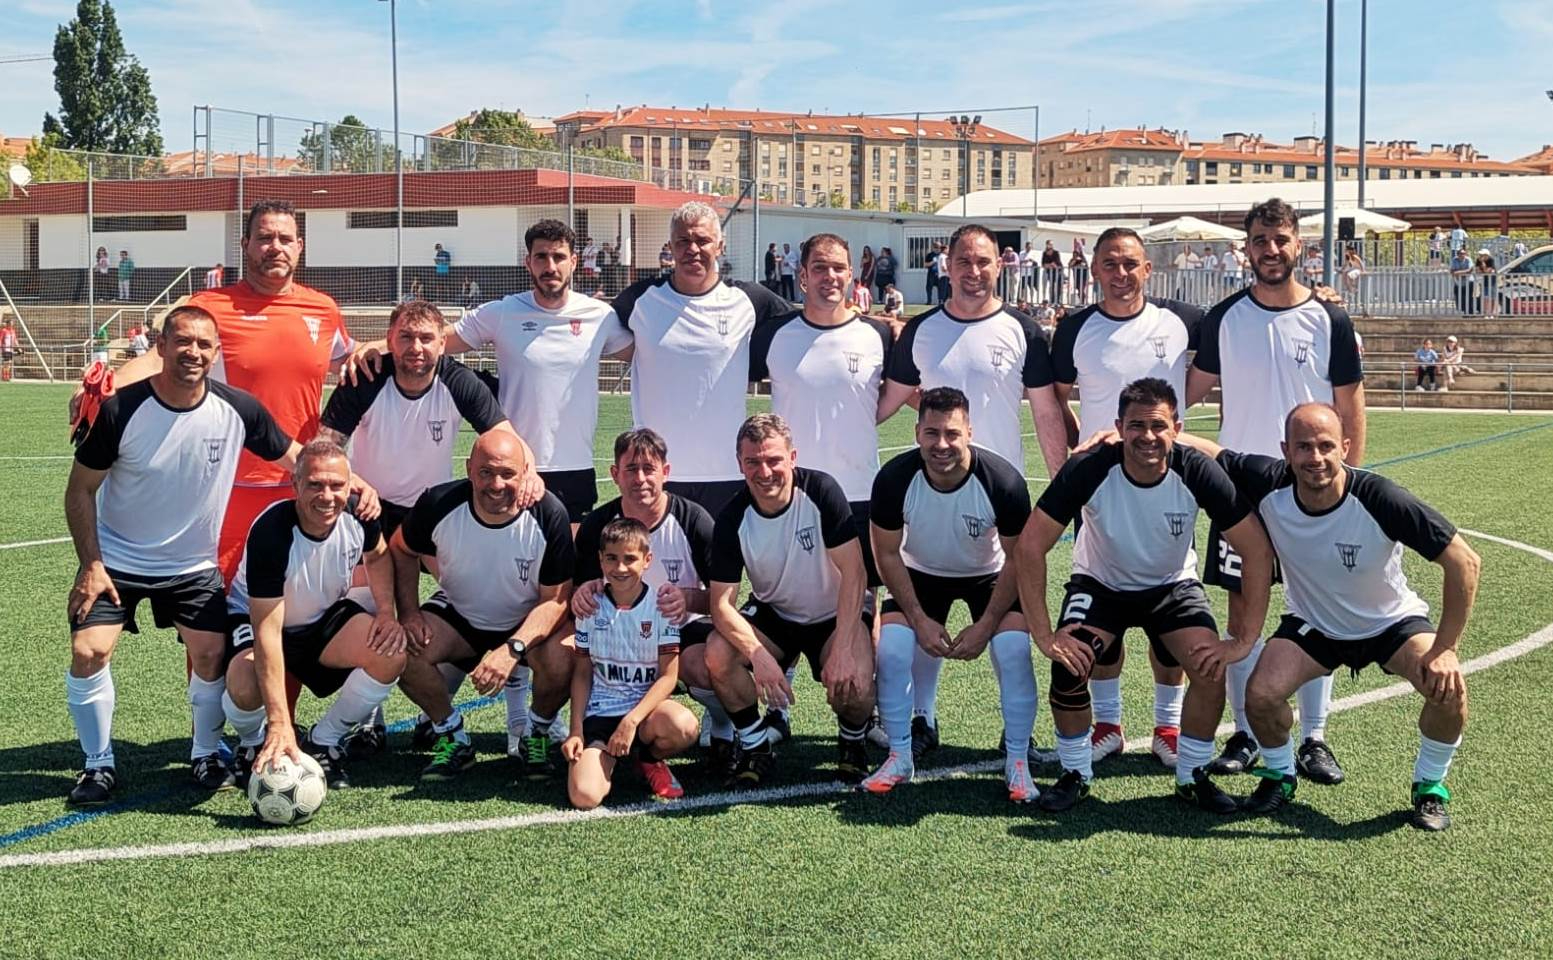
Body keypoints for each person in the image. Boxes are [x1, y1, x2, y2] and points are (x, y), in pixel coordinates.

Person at [1177, 403, 1478, 830]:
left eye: (1326, 446)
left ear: (1346, 448)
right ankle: (1281, 775)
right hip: (1313, 626)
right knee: (1260, 697)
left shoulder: (1379, 498)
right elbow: (1212, 452)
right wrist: (1139, 435)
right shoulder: (1269, 483)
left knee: (1449, 689)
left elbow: (1464, 562)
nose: (1314, 458)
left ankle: (1430, 786)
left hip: (1390, 624)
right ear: (1285, 450)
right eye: (1303, 447)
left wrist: (1446, 649)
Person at [61, 305, 300, 805]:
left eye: (203, 345)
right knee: (89, 651)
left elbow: (297, 460)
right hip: (117, 561)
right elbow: (80, 491)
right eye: (183, 342)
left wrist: (352, 484)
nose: (193, 352)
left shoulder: (239, 409)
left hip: (191, 567)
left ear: (215, 354)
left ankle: (205, 753)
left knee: (210, 654)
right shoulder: (119, 410)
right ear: (162, 347)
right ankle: (97, 765)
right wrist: (91, 565)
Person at [1018, 377, 1273, 812]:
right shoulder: (1090, 466)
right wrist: (1045, 637)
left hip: (1172, 587)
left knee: (1210, 666)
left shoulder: (1196, 469)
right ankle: (1076, 772)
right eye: (1136, 425)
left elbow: (1255, 549)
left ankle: (1191, 775)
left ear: (1176, 426)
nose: (1147, 437)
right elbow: (1029, 546)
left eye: (1158, 425)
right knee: (1069, 665)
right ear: (1119, 427)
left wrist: (1245, 639)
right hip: (1101, 586)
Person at [86, 201, 364, 586]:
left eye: (285, 239)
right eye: (264, 238)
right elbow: (155, 360)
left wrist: (375, 348)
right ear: (246, 244)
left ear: (300, 246)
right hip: (224, 485)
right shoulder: (210, 307)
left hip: (300, 480)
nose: (275, 247)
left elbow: (348, 359)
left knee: (298, 601)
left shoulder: (323, 308)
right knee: (214, 617)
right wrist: (101, 389)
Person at [1186, 197, 1366, 784]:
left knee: (1316, 609)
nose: (1270, 250)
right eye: (1260, 240)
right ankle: (1243, 731)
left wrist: (1346, 486)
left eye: (1280, 239)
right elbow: (1188, 388)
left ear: (1299, 245)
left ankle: (1313, 737)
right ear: (1248, 247)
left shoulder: (1330, 319)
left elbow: (1350, 406)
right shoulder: (1223, 318)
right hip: (1240, 490)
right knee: (1244, 611)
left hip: (1312, 485)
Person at [1048, 227, 1204, 768]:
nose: (1121, 273)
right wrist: (1077, 456)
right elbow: (1055, 401)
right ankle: (1108, 725)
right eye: (1110, 264)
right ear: (1094, 270)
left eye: (1131, 263)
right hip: (1102, 488)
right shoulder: (1073, 330)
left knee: (1170, 607)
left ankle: (1168, 728)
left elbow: (1240, 322)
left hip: (1168, 480)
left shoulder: (1183, 321)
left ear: (1147, 269)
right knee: (1103, 597)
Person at [749, 233, 894, 748]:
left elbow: (905, 394)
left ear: (852, 273)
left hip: (857, 497)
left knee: (862, 604)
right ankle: (776, 707)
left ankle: (861, 714)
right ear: (802, 274)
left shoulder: (879, 335)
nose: (829, 277)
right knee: (781, 592)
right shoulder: (774, 337)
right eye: (819, 268)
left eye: (839, 267)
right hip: (788, 496)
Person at [861, 387, 1038, 801]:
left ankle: (1017, 761)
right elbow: (886, 553)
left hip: (989, 574)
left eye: (952, 434)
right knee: (893, 649)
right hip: (921, 572)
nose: (942, 444)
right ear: (918, 431)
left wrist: (986, 625)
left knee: (1012, 649)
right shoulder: (894, 478)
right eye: (932, 433)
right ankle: (900, 754)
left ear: (969, 432)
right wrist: (920, 618)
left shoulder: (1004, 481)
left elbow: (1018, 560)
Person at [390, 432, 575, 781]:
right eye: (486, 472)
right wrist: (410, 613)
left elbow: (555, 601)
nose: (496, 483)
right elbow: (401, 549)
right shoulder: (439, 502)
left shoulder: (548, 513)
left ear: (524, 474)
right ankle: (452, 737)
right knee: (401, 650)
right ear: (469, 469)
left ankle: (535, 735)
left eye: (507, 474)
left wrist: (513, 648)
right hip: (459, 616)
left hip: (524, 622)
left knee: (566, 653)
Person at [221, 440, 405, 789]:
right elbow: (268, 631)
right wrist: (279, 723)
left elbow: (379, 555)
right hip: (258, 621)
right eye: (315, 484)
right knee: (244, 687)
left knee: (391, 652)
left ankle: (324, 741)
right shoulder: (272, 532)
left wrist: (385, 612)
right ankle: (252, 742)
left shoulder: (358, 514)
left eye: (337, 485)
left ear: (350, 486)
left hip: (321, 620)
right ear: (295, 485)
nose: (327, 495)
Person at [703, 414, 875, 788]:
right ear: (740, 464)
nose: (764, 471)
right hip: (775, 614)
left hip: (833, 613)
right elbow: (721, 605)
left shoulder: (822, 492)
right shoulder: (733, 516)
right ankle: (755, 745)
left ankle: (852, 741)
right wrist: (758, 654)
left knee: (857, 679)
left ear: (792, 458)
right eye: (753, 462)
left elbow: (855, 573)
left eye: (773, 460)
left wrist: (845, 645)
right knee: (719, 654)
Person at [611, 202, 790, 518]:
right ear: (670, 246)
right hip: (656, 473)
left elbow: (809, 324)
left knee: (719, 568)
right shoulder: (640, 300)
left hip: (725, 473)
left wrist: (872, 320)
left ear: (720, 246)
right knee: (650, 567)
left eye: (702, 241)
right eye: (683, 241)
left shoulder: (750, 300)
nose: (692, 249)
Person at [569, 429, 721, 764]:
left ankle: (722, 724)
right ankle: (557, 728)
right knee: (564, 651)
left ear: (665, 472)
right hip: (617, 633)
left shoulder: (693, 520)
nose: (640, 478)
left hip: (679, 630)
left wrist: (689, 599)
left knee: (713, 660)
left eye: (649, 469)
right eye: (631, 469)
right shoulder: (598, 524)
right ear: (614, 474)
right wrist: (581, 593)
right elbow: (575, 590)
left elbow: (724, 598)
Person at [881, 223, 1069, 484]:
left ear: (999, 265)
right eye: (964, 261)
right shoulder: (918, 331)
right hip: (933, 488)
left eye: (983, 261)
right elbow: (887, 401)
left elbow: (1046, 413)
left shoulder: (1026, 331)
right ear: (948, 264)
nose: (974, 271)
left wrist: (1061, 489)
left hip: (1003, 488)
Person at [562, 517, 700, 808]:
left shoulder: (662, 607)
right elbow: (582, 674)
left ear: (647, 560)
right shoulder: (590, 606)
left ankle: (649, 759)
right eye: (611, 558)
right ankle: (605, 756)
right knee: (584, 797)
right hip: (600, 713)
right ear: (600, 559)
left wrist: (632, 720)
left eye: (630, 559)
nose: (620, 567)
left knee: (683, 725)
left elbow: (668, 677)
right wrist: (576, 730)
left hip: (644, 713)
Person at [1449, 247, 1474, 315]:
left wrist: (1458, 273)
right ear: (1458, 254)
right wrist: (1463, 273)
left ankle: (1469, 312)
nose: (1462, 255)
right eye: (1461, 254)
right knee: (1458, 296)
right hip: (1458, 282)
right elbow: (1452, 271)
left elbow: (1470, 270)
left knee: (1468, 297)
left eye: (1464, 253)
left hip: (1469, 281)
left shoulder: (1468, 260)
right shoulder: (1454, 260)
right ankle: (1462, 310)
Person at [1475, 249, 1498, 319]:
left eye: (1482, 255)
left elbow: (1487, 271)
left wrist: (1483, 264)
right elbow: (1477, 271)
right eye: (1480, 255)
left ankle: (1492, 313)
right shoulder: (1478, 260)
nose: (1481, 256)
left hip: (1492, 281)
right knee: (1485, 297)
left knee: (1492, 297)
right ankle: (1485, 313)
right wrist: (1483, 270)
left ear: (1487, 255)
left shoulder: (1491, 260)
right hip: (1484, 281)